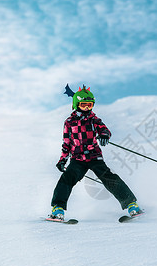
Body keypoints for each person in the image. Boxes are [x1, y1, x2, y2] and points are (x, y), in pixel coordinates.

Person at [48, 85, 141, 221]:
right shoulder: (69, 122)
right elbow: (66, 143)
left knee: (109, 178)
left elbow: (104, 130)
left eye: (90, 105)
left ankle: (131, 204)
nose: (87, 108)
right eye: (84, 105)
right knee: (66, 180)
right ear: (76, 104)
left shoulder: (93, 119)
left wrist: (104, 135)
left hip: (94, 157)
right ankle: (58, 208)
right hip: (77, 159)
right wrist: (62, 160)